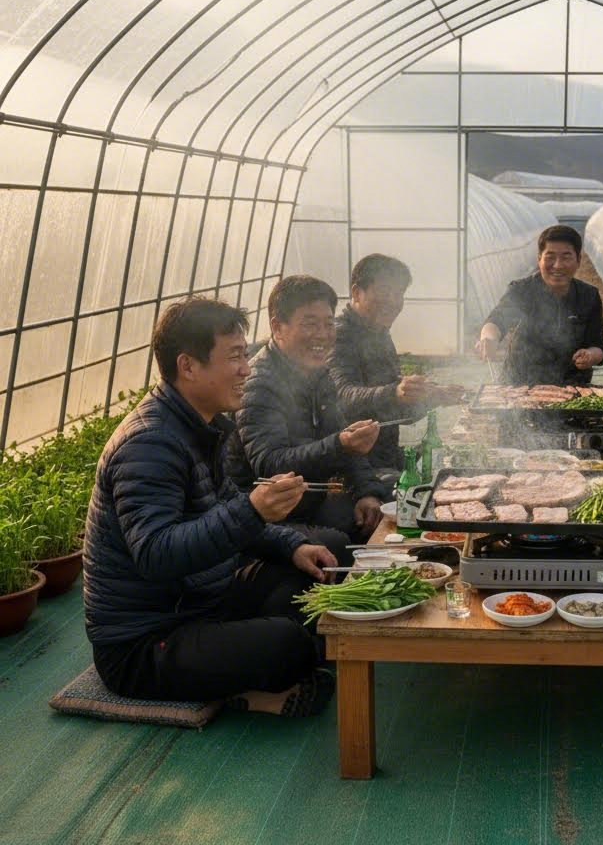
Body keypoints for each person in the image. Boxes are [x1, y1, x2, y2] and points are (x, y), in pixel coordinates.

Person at [83, 298, 337, 717]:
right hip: (145, 641)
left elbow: (227, 506)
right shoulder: (149, 444)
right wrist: (252, 512)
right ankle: (257, 690)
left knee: (319, 565)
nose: (246, 368)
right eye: (235, 356)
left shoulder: (202, 424)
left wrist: (292, 545)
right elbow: (156, 554)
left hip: (200, 602)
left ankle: (257, 683)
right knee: (287, 644)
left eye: (245, 353)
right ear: (188, 366)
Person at [227, 276, 389, 547]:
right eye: (310, 324)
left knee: (384, 507)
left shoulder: (318, 373)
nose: (323, 335)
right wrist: (339, 444)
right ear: (278, 327)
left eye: (328, 324)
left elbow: (344, 438)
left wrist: (367, 492)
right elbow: (270, 464)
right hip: (266, 518)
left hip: (310, 503)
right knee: (335, 544)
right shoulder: (259, 383)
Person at [329, 254, 463, 473]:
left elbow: (394, 409)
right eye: (384, 291)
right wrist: (395, 392)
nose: (392, 301)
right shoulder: (339, 336)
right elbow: (343, 397)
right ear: (356, 292)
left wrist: (431, 396)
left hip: (385, 456)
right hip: (355, 468)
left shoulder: (378, 332)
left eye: (399, 293)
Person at [476, 224, 603, 386]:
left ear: (579, 260)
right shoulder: (522, 290)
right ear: (539, 259)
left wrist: (590, 355)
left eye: (566, 257)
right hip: (520, 386)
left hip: (572, 388)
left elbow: (598, 346)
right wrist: (489, 339)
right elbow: (496, 321)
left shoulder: (589, 295)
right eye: (550, 257)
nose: (558, 265)